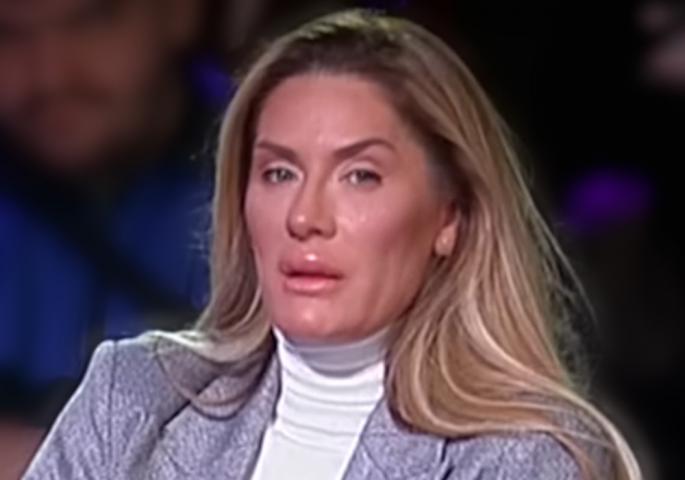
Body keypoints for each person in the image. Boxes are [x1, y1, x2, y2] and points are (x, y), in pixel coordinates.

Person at [24, 9, 641, 480]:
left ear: (449, 216)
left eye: (360, 176)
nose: (305, 217)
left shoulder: (523, 458)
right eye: (279, 173)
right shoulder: (135, 395)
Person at [0, 0, 215, 470]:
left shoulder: (284, 174)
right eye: (8, 34)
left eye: (91, 20)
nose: (51, 76)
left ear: (181, 12)